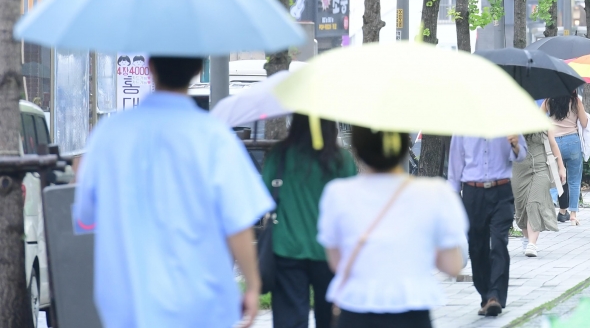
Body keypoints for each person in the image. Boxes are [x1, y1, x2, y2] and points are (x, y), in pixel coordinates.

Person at [73, 57, 274, 328]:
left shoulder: (108, 135)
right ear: (199, 69)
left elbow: (86, 217)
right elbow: (238, 224)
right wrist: (252, 284)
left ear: (150, 67)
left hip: (129, 303)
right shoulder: (215, 137)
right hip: (201, 305)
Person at [318, 126, 467, 328]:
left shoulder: (337, 194)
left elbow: (337, 263)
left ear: (357, 147)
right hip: (412, 313)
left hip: (355, 311)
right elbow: (452, 266)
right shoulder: (435, 193)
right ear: (405, 146)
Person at [262, 114, 357, 328]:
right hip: (331, 252)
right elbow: (352, 208)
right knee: (331, 319)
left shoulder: (280, 155)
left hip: (286, 248)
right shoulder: (342, 160)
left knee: (289, 320)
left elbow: (264, 198)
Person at [448, 133, 527, 317]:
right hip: (473, 192)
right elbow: (455, 163)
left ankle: (495, 296)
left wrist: (515, 145)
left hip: (501, 191)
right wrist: (453, 198)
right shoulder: (462, 126)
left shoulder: (507, 122)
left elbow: (522, 154)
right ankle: (486, 296)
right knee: (477, 248)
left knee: (499, 242)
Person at [512, 129, 565, 257]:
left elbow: (553, 143)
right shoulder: (511, 122)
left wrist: (561, 167)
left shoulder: (542, 122)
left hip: (540, 168)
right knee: (521, 208)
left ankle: (532, 243)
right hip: (518, 170)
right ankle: (527, 238)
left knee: (534, 203)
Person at [544, 94, 587, 225]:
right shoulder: (575, 101)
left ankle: (552, 207)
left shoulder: (549, 100)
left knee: (555, 177)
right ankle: (573, 215)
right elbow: (584, 123)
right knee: (574, 180)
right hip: (572, 141)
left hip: (553, 142)